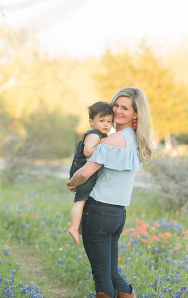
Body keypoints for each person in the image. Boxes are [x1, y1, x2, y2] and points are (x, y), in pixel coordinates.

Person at [67, 87, 154, 298]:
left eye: (125, 108)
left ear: (136, 114)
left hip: (97, 211)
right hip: (118, 215)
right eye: (116, 105)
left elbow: (85, 173)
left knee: (101, 275)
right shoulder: (135, 139)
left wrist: (72, 182)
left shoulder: (108, 141)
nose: (117, 111)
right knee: (112, 272)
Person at [67, 101, 114, 247]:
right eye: (101, 120)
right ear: (91, 122)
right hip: (82, 169)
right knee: (80, 201)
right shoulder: (94, 134)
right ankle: (74, 227)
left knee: (84, 200)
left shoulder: (100, 134)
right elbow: (88, 151)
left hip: (80, 168)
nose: (106, 124)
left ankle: (79, 226)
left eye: (109, 121)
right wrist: (103, 147)